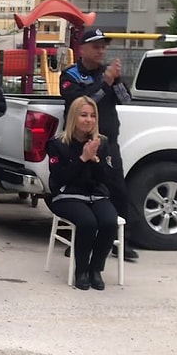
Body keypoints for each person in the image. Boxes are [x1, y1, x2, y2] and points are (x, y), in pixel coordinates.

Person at [59, 27, 139, 262]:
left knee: (117, 190)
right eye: (95, 46)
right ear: (82, 49)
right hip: (79, 142)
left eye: (103, 46)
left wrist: (114, 82)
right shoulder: (71, 74)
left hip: (107, 143)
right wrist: (104, 84)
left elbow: (126, 99)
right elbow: (80, 103)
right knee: (79, 189)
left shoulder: (108, 73)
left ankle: (121, 242)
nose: (100, 50)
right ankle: (79, 239)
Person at [46, 96, 120, 291]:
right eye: (84, 115)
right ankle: (82, 270)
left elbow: (108, 178)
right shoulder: (57, 143)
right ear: (73, 118)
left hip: (96, 195)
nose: (89, 120)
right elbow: (60, 178)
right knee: (88, 222)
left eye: (93, 116)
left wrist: (95, 160)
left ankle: (96, 269)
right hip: (67, 195)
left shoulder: (102, 142)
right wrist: (82, 159)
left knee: (109, 221)